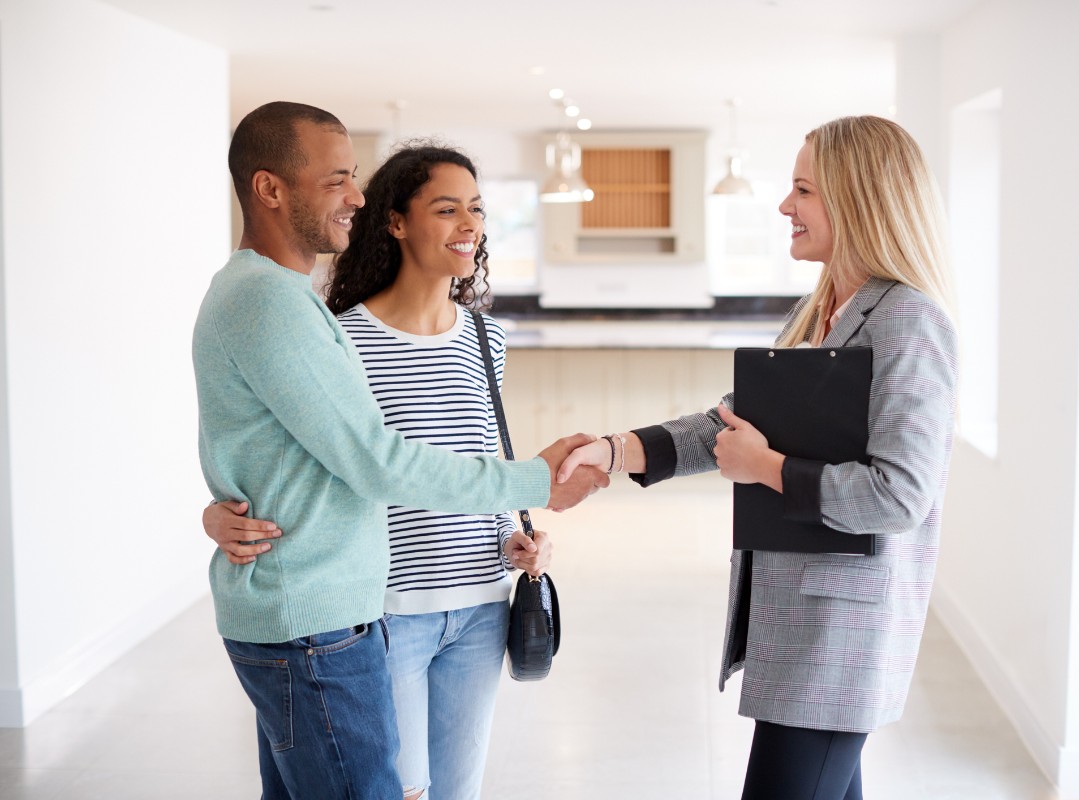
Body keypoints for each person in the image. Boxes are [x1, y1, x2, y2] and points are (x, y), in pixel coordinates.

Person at [194, 102, 607, 800]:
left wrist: (514, 527)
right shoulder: (291, 311)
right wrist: (532, 480)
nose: (355, 194)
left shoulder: (291, 302)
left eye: (476, 208)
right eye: (337, 179)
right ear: (271, 188)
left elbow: (272, 445)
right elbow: (375, 460)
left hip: (456, 601)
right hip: (356, 612)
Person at [559, 115, 958, 800]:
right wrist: (617, 449)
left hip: (842, 632)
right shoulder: (820, 311)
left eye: (802, 190)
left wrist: (767, 468)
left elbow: (899, 497)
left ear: (856, 198)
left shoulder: (908, 321)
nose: (784, 207)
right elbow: (727, 425)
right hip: (803, 620)